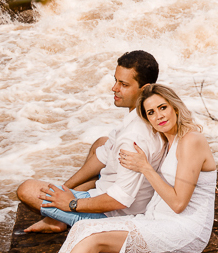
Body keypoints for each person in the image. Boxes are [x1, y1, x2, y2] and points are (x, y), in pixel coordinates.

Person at [0, 84, 217, 253]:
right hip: (158, 219)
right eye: (151, 113)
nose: (159, 116)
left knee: (92, 239)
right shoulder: (166, 140)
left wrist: (146, 168)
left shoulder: (191, 140)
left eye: (163, 108)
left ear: (175, 106)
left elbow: (179, 203)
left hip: (185, 229)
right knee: (82, 229)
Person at [15, 50, 164, 234]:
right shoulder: (148, 117)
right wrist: (64, 189)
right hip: (110, 191)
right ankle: (58, 216)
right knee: (101, 143)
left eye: (123, 84)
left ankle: (62, 219)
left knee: (26, 189)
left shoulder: (133, 138)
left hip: (112, 215)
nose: (114, 88)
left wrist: (71, 203)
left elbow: (121, 199)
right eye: (116, 80)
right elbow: (102, 156)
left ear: (145, 88)